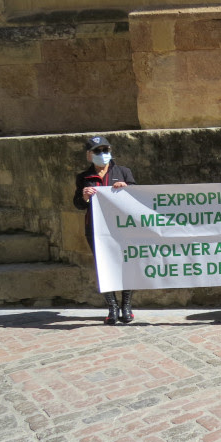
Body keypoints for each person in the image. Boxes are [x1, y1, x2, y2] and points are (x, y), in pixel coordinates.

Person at [73, 135, 137, 325]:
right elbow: (77, 204)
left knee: (126, 265)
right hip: (95, 230)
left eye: (106, 150)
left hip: (122, 230)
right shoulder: (83, 178)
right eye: (98, 151)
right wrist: (84, 196)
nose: (103, 154)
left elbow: (137, 199)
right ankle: (112, 307)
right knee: (104, 267)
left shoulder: (123, 172)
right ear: (89, 155)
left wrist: (126, 189)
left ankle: (126, 306)